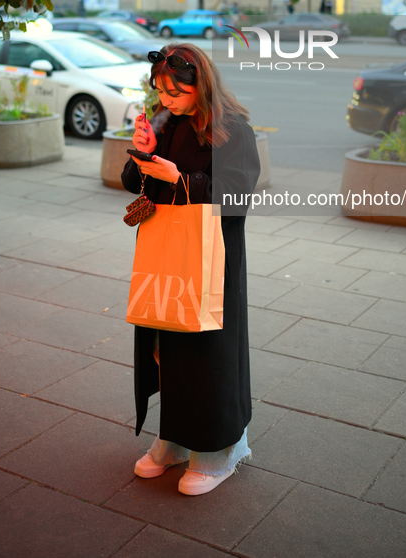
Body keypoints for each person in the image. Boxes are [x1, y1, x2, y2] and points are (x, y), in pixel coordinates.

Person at [121, 43, 260, 496]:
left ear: (200, 83)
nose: (165, 100)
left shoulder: (233, 127)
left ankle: (218, 451)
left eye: (174, 91)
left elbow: (238, 193)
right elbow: (133, 180)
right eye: (159, 91)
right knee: (166, 342)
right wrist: (141, 155)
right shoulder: (164, 120)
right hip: (165, 248)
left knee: (208, 349)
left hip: (212, 252)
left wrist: (180, 181)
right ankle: (175, 438)